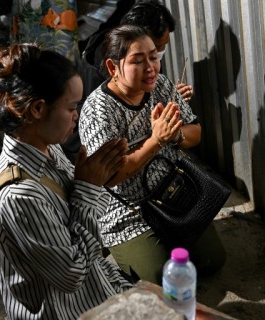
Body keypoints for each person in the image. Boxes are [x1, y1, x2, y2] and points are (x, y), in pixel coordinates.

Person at [0, 43, 132, 319]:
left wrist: (96, 179)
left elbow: (83, 221)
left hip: (99, 290)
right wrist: (89, 187)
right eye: (71, 107)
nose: (77, 116)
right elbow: (72, 274)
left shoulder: (47, 147)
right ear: (38, 109)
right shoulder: (19, 195)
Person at [78, 25, 226, 284]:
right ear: (113, 68)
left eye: (154, 57)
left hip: (174, 191)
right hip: (128, 211)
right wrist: (156, 141)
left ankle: (168, 243)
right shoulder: (97, 110)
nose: (151, 67)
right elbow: (111, 177)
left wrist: (175, 135)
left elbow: (196, 133)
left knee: (212, 260)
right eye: (138, 60)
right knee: (160, 282)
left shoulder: (160, 85)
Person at [62, 0, 193, 162]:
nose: (157, 57)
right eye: (155, 48)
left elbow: (194, 130)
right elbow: (115, 172)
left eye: (159, 50)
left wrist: (171, 100)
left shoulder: (147, 70)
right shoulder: (104, 91)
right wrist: (158, 138)